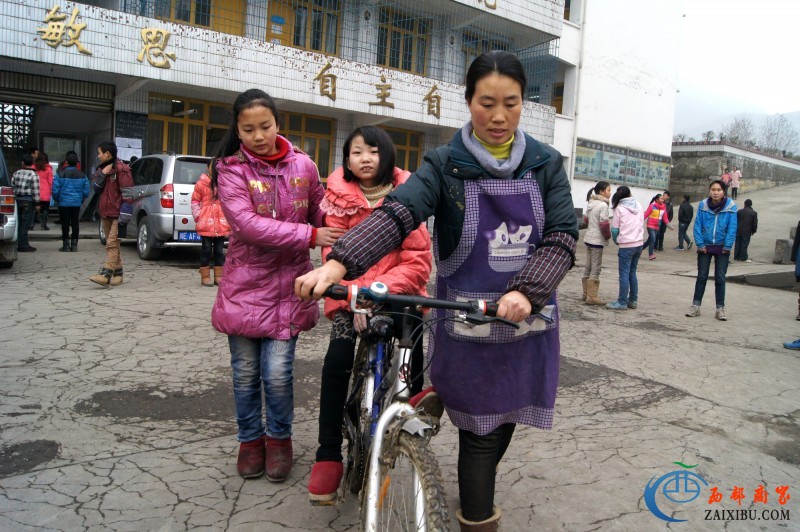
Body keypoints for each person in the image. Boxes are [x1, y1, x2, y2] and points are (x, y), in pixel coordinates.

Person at [295, 51, 578, 531]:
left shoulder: (546, 164)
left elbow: (562, 235)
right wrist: (340, 262)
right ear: (468, 102)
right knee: (479, 434)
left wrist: (529, 292)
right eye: (486, 102)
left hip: (524, 322)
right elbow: (400, 212)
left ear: (522, 106)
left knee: (500, 423)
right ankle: (477, 518)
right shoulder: (445, 164)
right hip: (465, 325)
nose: (498, 115)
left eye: (510, 103)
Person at [210, 89, 345, 483]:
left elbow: (322, 209)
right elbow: (247, 225)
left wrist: (351, 215)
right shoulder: (231, 169)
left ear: (277, 124)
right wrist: (310, 235)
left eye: (264, 126)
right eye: (248, 128)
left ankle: (279, 441)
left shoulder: (303, 165)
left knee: (278, 374)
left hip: (291, 287)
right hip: (244, 287)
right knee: (245, 373)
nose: (257, 135)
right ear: (237, 129)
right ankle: (250, 442)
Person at [307, 126, 433, 504]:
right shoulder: (338, 198)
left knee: (415, 332)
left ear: (388, 155)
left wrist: (379, 292)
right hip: (349, 294)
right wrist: (355, 295)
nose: (364, 158)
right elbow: (334, 256)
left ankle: (409, 408)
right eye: (356, 151)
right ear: (346, 160)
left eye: (373, 151)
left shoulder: (408, 196)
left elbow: (418, 260)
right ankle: (328, 453)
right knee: (337, 361)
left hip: (396, 291)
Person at [686, 180, 737, 321]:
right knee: (701, 277)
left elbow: (732, 228)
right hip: (705, 247)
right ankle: (695, 306)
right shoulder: (703, 206)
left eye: (719, 190)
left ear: (723, 192)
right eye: (713, 189)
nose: (715, 192)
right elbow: (697, 226)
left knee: (720, 278)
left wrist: (727, 245)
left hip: (722, 247)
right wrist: (700, 244)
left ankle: (720, 309)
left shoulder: (731, 207)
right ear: (709, 191)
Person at [89, 141, 134, 286]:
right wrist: (102, 174)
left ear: (107, 154)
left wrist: (125, 215)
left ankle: (106, 274)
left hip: (118, 214)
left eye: (100, 153)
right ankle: (118, 273)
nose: (98, 156)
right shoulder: (101, 170)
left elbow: (128, 194)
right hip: (106, 213)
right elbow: (95, 188)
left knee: (111, 243)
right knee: (114, 246)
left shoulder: (122, 169)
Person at [191, 158, 230, 286]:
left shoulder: (224, 182)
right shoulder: (201, 183)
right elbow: (195, 201)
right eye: (212, 167)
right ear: (207, 168)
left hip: (221, 222)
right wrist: (198, 216)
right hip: (206, 221)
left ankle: (218, 276)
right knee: (206, 249)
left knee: (219, 251)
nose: (215, 169)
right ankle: (205, 276)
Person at [605, 186, 644, 310]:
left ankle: (622, 301)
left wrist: (617, 241)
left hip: (626, 245)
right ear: (630, 193)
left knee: (624, 273)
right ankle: (633, 300)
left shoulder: (619, 208)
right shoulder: (638, 204)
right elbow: (641, 221)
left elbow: (615, 230)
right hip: (638, 243)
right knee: (632, 272)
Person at [51, 151, 90, 252]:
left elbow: (55, 190)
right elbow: (86, 191)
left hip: (63, 203)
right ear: (77, 163)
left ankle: (65, 245)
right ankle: (74, 244)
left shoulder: (60, 174)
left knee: (65, 223)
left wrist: (58, 199)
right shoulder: (82, 175)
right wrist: (81, 198)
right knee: (75, 223)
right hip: (76, 203)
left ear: (66, 162)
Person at [581, 181, 611, 305]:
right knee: (596, 267)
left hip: (589, 238)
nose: (610, 193)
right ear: (601, 192)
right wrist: (607, 236)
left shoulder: (591, 203)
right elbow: (604, 224)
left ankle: (585, 293)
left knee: (588, 266)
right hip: (597, 240)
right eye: (608, 190)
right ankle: (592, 296)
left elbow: (586, 220)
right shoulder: (603, 206)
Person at [10, 153, 40, 252]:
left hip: (17, 199)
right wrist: (37, 203)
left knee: (18, 222)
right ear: (32, 163)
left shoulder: (16, 173)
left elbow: (12, 187)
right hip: (28, 201)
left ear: (22, 162)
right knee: (25, 223)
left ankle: (16, 242)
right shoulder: (33, 175)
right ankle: (23, 244)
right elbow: (35, 190)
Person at [643, 193, 671, 260]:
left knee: (649, 240)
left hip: (657, 226)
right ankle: (651, 254)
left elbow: (665, 217)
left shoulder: (664, 206)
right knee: (653, 239)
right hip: (650, 225)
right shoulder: (652, 206)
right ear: (657, 199)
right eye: (661, 198)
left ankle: (639, 250)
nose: (663, 199)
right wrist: (637, 222)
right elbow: (645, 215)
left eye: (663, 198)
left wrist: (668, 225)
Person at [34, 152, 53, 231]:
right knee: (45, 209)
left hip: (35, 190)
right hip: (46, 192)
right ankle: (44, 225)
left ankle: (31, 225)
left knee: (34, 208)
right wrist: (51, 191)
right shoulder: (48, 169)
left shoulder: (34, 168)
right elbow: (50, 181)